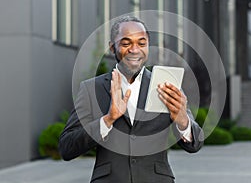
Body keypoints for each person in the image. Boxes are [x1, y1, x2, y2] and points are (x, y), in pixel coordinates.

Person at [59, 16, 203, 183]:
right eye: (126, 43)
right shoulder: (91, 89)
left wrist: (183, 121)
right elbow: (66, 148)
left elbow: (195, 144)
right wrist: (107, 120)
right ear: (112, 48)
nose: (135, 50)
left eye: (141, 43)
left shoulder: (166, 85)